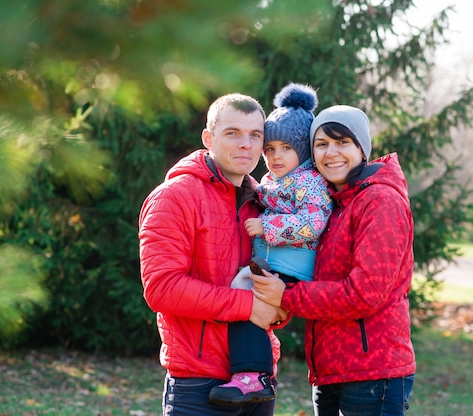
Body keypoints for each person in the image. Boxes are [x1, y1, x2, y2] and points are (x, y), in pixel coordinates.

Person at [251, 105, 416, 416]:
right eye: (321, 144)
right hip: (330, 369)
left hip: (372, 373)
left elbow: (364, 293)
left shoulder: (379, 201)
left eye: (343, 142)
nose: (331, 153)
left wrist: (288, 296)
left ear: (362, 149)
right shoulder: (333, 204)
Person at [138, 92, 287, 416]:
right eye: (232, 133)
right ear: (209, 138)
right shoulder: (174, 198)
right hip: (197, 381)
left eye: (255, 135)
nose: (245, 144)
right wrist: (249, 307)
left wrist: (280, 305)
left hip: (259, 375)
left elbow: (280, 276)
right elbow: (162, 288)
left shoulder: (267, 204)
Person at [209, 83, 333, 406]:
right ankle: (249, 372)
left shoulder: (310, 182)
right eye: (271, 149)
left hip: (292, 268)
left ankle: (255, 375)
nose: (276, 157)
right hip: (272, 264)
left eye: (286, 149)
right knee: (242, 300)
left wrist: (266, 225)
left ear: (303, 150)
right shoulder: (272, 181)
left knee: (248, 304)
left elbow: (313, 223)